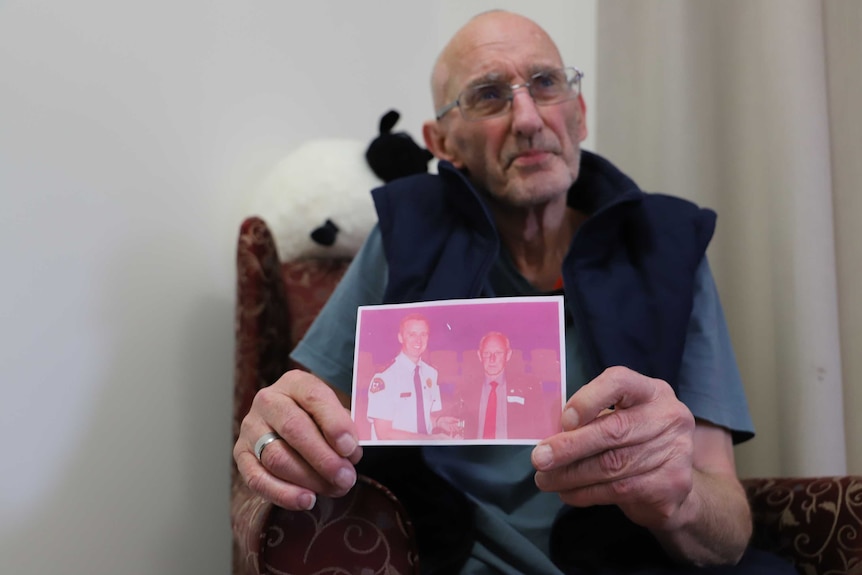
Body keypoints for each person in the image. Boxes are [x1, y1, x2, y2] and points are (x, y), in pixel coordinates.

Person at [234, 9, 795, 574]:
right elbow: (310, 409)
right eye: (489, 95)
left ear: (579, 114)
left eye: (547, 84)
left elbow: (727, 532)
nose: (528, 118)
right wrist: (275, 432)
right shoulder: (407, 232)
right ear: (442, 142)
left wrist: (680, 497)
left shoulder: (666, 246)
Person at [364, 313, 454, 440]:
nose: (419, 340)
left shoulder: (431, 374)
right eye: (412, 334)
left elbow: (420, 418)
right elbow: (384, 433)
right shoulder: (385, 377)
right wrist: (431, 440)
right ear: (400, 337)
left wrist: (438, 421)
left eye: (423, 334)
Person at [455, 331, 552, 440]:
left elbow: (542, 430)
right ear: (479, 355)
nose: (492, 359)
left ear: (508, 355)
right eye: (487, 353)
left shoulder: (528, 389)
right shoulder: (466, 389)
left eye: (498, 352)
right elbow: (452, 419)